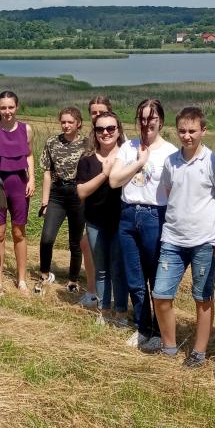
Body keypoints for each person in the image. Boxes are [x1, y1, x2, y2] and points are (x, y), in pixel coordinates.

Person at [152, 107, 215, 363]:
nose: (187, 136)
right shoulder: (171, 161)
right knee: (161, 295)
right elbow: (169, 191)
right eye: (182, 131)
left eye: (192, 131)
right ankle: (169, 346)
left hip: (204, 241)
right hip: (172, 238)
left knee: (202, 298)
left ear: (203, 131)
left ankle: (199, 351)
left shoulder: (213, 162)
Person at [109, 98, 178, 352]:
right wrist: (138, 162)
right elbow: (115, 181)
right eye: (142, 118)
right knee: (135, 278)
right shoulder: (128, 148)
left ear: (160, 121)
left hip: (155, 216)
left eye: (152, 119)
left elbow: (174, 191)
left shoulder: (170, 152)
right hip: (128, 215)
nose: (146, 123)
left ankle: (160, 331)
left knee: (155, 277)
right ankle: (142, 328)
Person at [76, 110, 127, 326]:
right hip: (95, 222)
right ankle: (104, 310)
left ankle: (121, 312)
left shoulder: (127, 156)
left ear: (118, 130)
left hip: (122, 222)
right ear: (94, 132)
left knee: (119, 268)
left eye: (110, 128)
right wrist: (104, 174)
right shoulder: (87, 160)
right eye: (100, 129)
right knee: (102, 269)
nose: (105, 133)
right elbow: (81, 192)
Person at [0, 91, 35, 295]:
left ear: (17, 107)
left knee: (18, 232)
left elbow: (29, 155)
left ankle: (21, 279)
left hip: (19, 183)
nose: (7, 111)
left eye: (11, 107)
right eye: (3, 107)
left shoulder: (26, 129)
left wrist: (32, 178)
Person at [37, 106, 87, 294]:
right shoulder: (52, 142)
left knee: (75, 242)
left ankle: (73, 280)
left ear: (78, 123)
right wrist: (44, 202)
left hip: (78, 194)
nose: (66, 125)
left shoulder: (87, 144)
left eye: (70, 122)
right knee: (47, 238)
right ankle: (44, 274)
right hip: (57, 194)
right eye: (63, 122)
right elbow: (47, 173)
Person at [76, 96, 114, 308]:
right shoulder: (89, 140)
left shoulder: (116, 137)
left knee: (96, 249)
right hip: (92, 205)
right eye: (94, 113)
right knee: (88, 246)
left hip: (112, 208)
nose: (97, 116)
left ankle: (103, 295)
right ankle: (94, 293)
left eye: (101, 112)